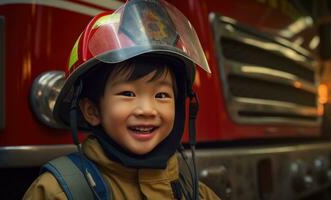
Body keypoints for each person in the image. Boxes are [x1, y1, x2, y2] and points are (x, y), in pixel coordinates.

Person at [23, 0, 219, 199]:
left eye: (161, 95)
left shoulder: (194, 191)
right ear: (92, 111)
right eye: (128, 94)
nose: (147, 110)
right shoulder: (57, 192)